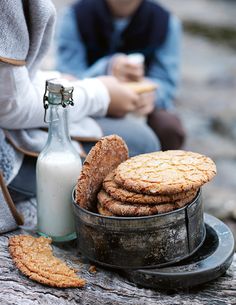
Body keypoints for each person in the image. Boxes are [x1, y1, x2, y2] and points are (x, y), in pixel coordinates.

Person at [0, 0, 159, 201]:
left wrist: (62, 80)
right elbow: (10, 105)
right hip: (7, 161)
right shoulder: (77, 15)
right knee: (142, 141)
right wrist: (102, 94)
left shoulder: (163, 21)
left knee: (165, 126)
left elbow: (12, 80)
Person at [55, 0, 186, 151]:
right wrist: (108, 68)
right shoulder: (75, 16)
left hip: (141, 109)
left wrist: (151, 95)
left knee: (170, 128)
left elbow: (167, 84)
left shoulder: (166, 22)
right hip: (90, 105)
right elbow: (67, 82)